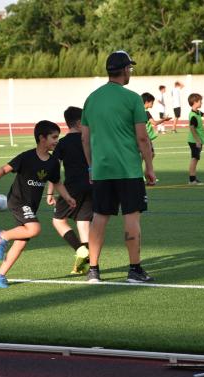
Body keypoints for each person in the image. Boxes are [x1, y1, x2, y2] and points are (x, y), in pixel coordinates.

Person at [81, 50, 156, 284]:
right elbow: (142, 138)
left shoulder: (92, 98)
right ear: (124, 70)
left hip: (102, 171)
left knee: (99, 218)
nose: (130, 72)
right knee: (131, 218)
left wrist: (92, 167)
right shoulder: (133, 98)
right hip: (129, 170)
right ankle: (134, 270)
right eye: (130, 68)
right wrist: (150, 167)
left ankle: (93, 270)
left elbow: (85, 138)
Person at [0, 121, 76, 288]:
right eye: (54, 137)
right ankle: (2, 236)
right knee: (34, 228)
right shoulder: (26, 157)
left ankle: (0, 275)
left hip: (30, 206)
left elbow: (57, 182)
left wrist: (67, 197)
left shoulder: (53, 162)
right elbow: (3, 169)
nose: (57, 140)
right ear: (42, 138)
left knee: (21, 242)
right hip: (18, 201)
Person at [46, 107, 92, 275]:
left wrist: (50, 192)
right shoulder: (89, 139)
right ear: (79, 123)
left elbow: (53, 169)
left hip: (71, 188)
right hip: (92, 185)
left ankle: (80, 249)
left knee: (58, 221)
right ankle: (88, 266)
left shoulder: (63, 143)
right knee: (83, 222)